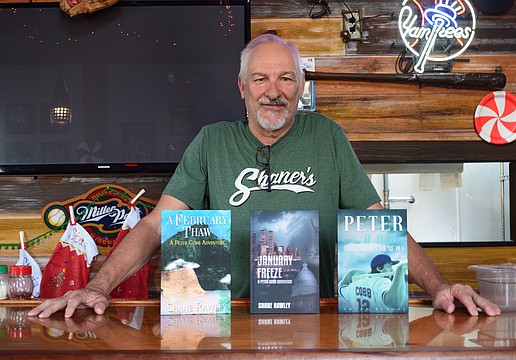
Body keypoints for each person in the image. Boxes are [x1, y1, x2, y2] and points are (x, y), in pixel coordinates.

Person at [28, 33, 501, 318]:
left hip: (318, 320)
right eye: (260, 79)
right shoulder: (212, 141)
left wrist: (439, 287)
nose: (273, 92)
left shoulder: (329, 138)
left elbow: (381, 228)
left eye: (286, 79)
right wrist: (96, 286)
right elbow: (154, 225)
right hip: (224, 322)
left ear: (300, 86)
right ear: (242, 87)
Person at [338, 254, 408, 313]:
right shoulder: (383, 282)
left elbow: (340, 289)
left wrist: (351, 273)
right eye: (389, 266)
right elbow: (394, 303)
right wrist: (400, 269)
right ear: (379, 268)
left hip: (357, 328)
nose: (392, 269)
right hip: (381, 327)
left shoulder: (354, 285)